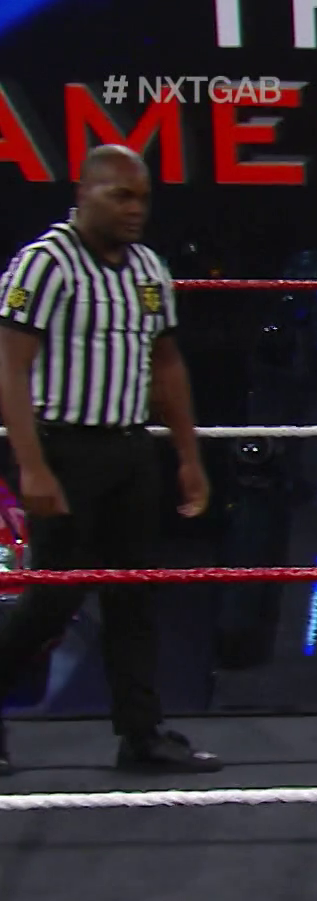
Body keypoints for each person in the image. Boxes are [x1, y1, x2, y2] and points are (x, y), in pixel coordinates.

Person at [0, 144, 219, 777]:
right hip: (64, 446)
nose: (134, 209)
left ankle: (141, 734)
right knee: (53, 600)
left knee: (134, 595)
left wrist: (188, 455)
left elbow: (167, 364)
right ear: (84, 194)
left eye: (142, 198)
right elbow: (10, 366)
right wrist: (31, 465)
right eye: (120, 195)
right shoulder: (45, 262)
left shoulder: (148, 268)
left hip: (130, 448)